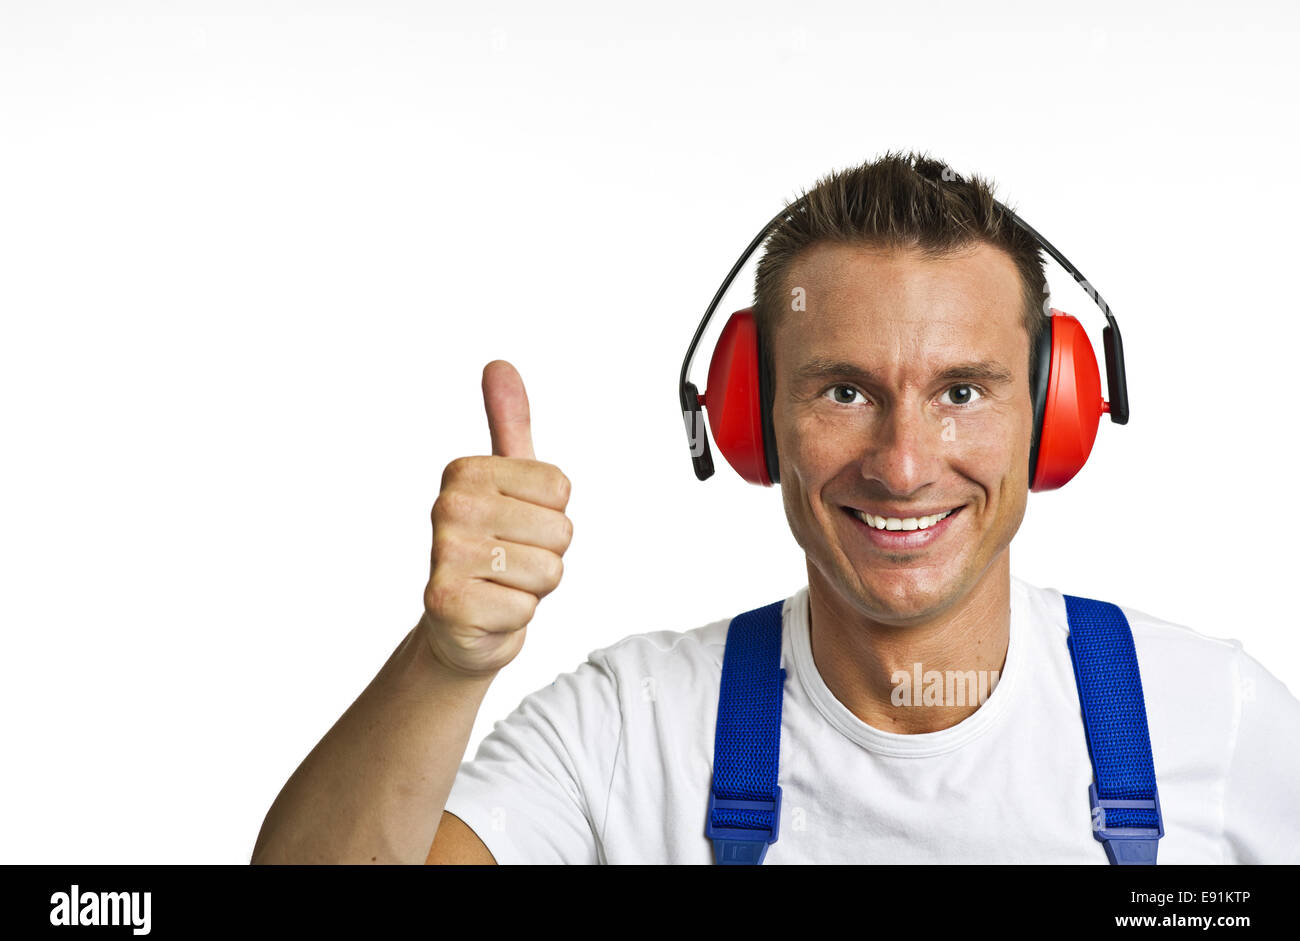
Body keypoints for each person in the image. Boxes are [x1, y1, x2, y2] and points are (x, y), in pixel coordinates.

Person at [250, 151, 1300, 865]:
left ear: (1054, 418)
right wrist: (447, 662)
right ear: (751, 419)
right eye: (843, 390)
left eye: (961, 391)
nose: (901, 463)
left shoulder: (1214, 718)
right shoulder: (633, 732)